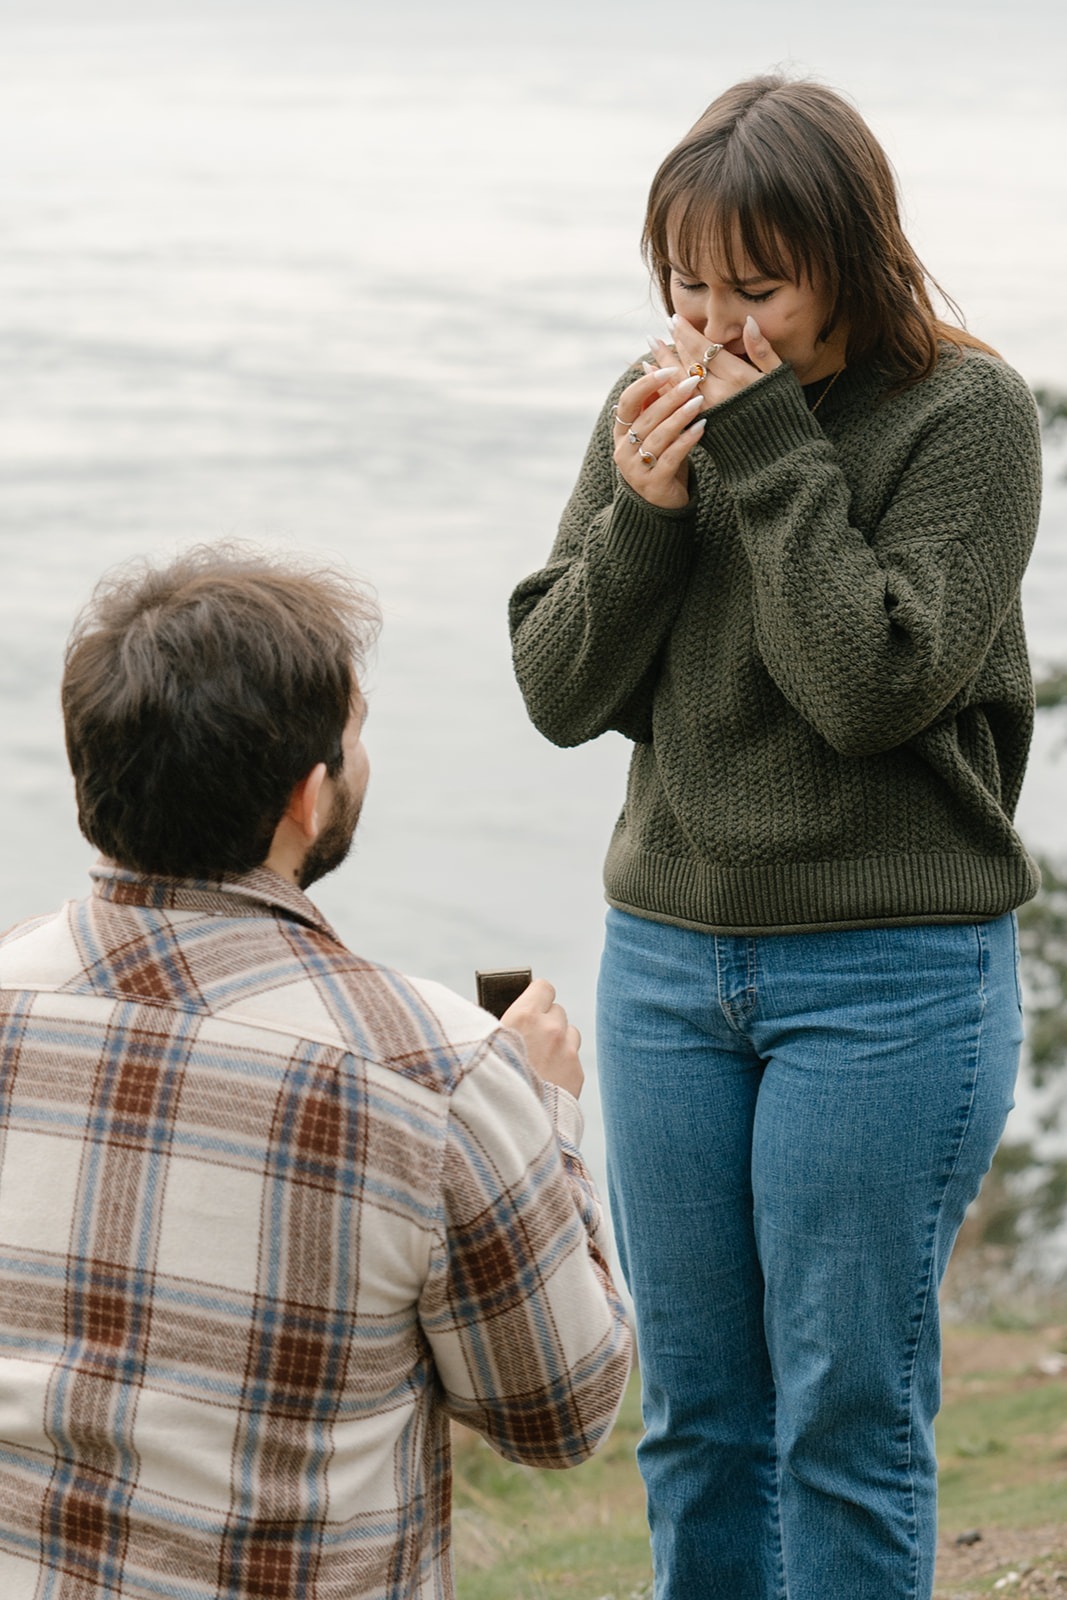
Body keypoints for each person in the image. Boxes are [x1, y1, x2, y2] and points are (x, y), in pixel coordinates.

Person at [509, 74, 1042, 1600]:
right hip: (671, 968)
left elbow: (866, 682)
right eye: (686, 283)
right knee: (694, 1423)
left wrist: (752, 454)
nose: (715, 318)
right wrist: (640, 513)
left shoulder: (963, 417)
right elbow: (557, 687)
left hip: (887, 978)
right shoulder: (654, 397)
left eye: (757, 285)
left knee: (842, 1420)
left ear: (850, 257)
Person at [0, 545, 631, 1600]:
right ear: (306, 798)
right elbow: (560, 1411)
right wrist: (543, 1114)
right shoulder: (432, 1070)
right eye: (356, 737)